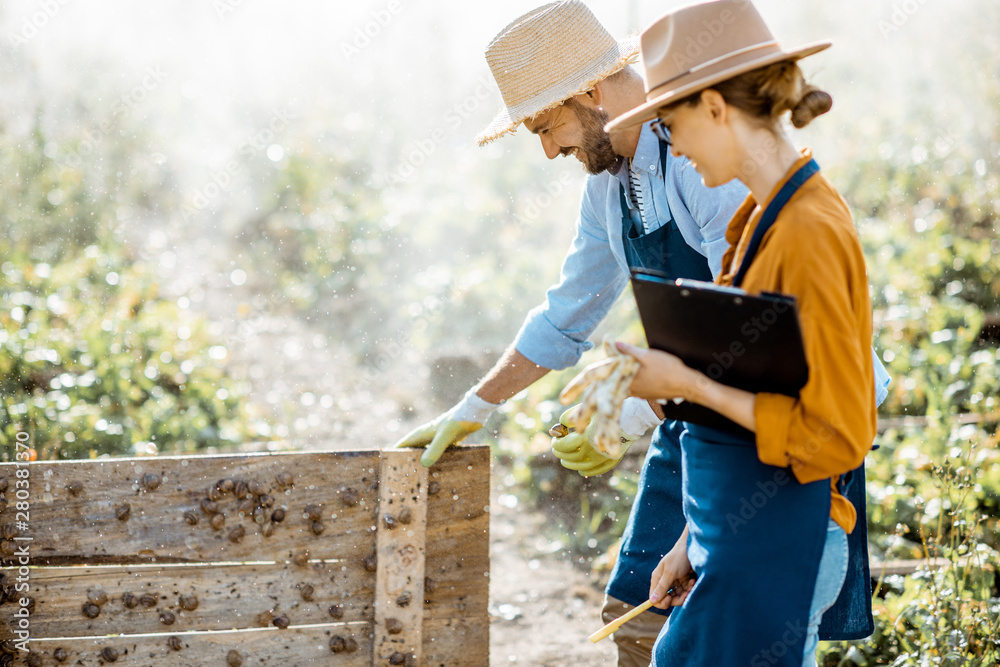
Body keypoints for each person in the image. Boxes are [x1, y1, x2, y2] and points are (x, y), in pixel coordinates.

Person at [393, 1, 750, 664]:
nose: (549, 148)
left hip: (762, 414)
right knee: (634, 621)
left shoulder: (703, 158)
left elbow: (751, 320)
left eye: (546, 126)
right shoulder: (610, 186)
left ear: (588, 92)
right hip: (691, 416)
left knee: (717, 627)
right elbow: (566, 314)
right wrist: (476, 406)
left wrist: (640, 408)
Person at [598, 1, 881, 665]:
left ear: (717, 107)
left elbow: (840, 432)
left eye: (674, 123)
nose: (678, 147)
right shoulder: (758, 220)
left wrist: (687, 382)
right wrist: (689, 542)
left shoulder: (809, 231)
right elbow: (759, 384)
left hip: (787, 548)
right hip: (739, 543)